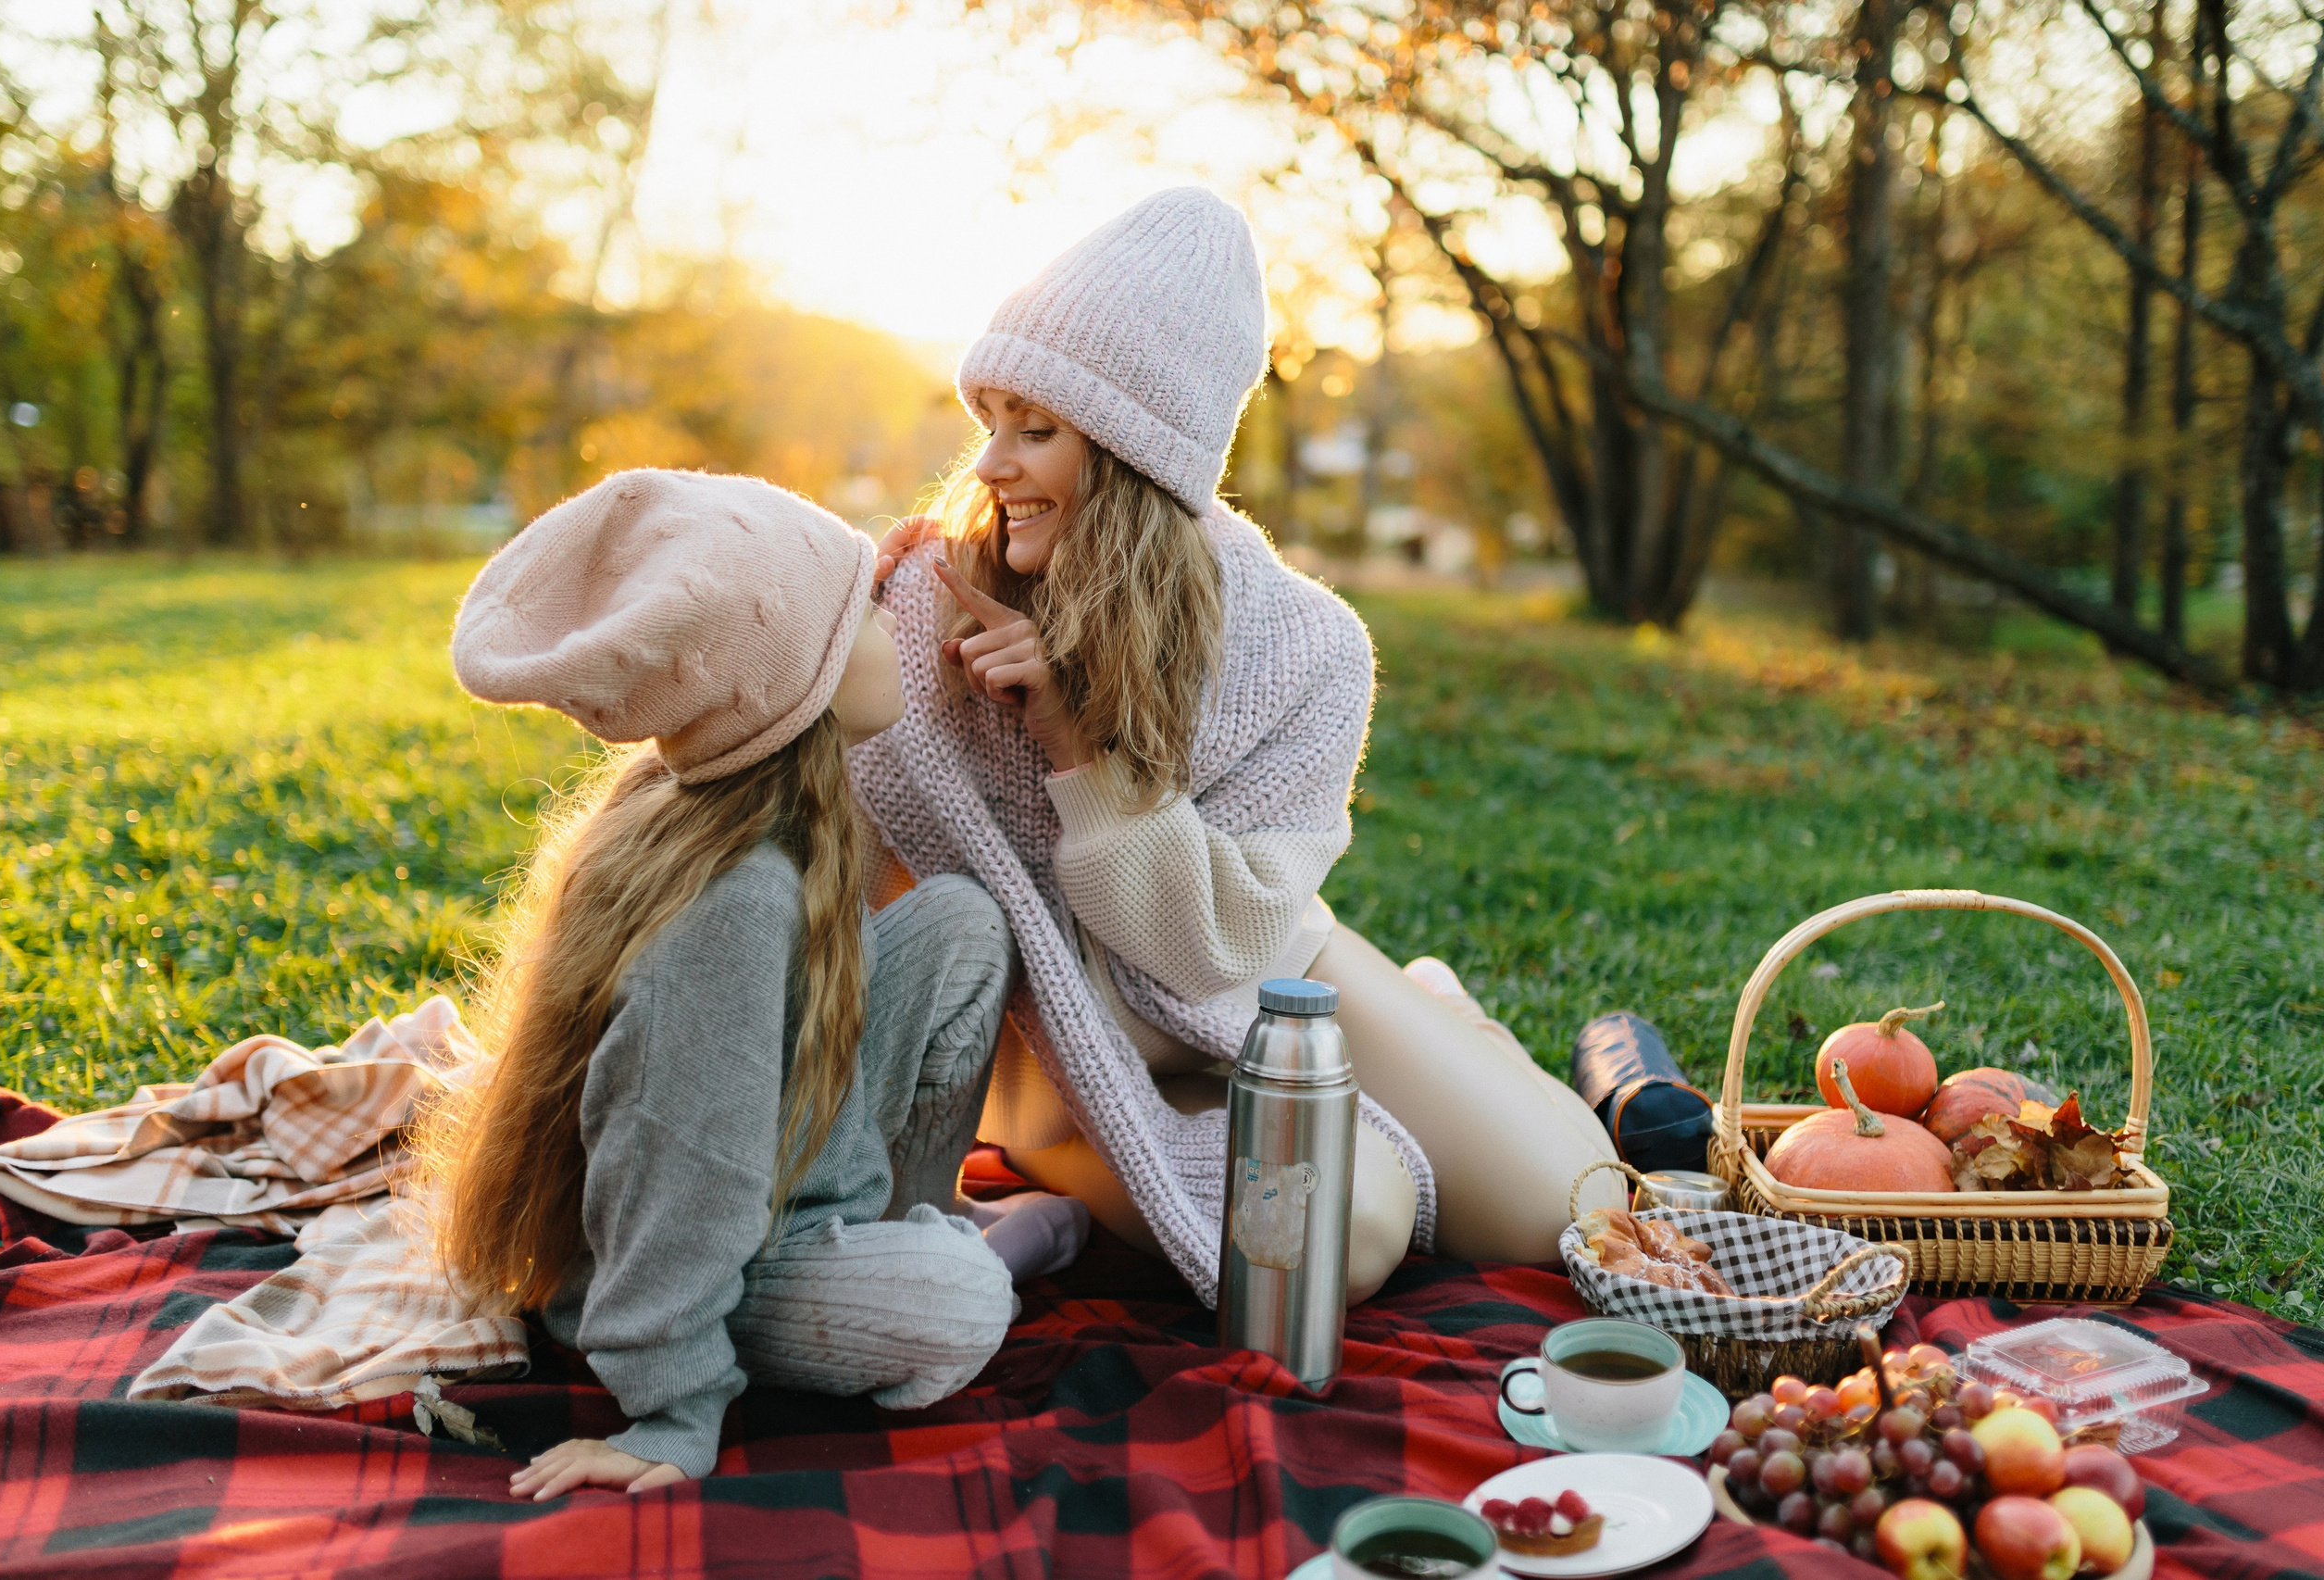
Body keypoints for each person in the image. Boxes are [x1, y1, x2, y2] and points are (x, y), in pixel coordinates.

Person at [851, 187, 1622, 1310]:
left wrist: (1081, 749)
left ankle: (1427, 1019)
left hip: (1244, 971)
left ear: (1127, 450)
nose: (989, 467)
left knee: (1577, 1207)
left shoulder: (1310, 648)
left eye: (1035, 430)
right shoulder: (933, 601)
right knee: (1318, 1243)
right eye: (991, 422)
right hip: (1050, 1022)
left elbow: (1229, 944)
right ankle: (1079, 1157)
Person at [420, 470, 1020, 1499]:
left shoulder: (764, 783)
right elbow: (673, 1151)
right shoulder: (734, 901)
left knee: (965, 923)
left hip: (777, 1171)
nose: (898, 626)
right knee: (959, 1303)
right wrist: (674, 1407)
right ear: (800, 676)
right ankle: (920, 1259)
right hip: (684, 1263)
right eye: (869, 610)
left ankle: (912, 1221)